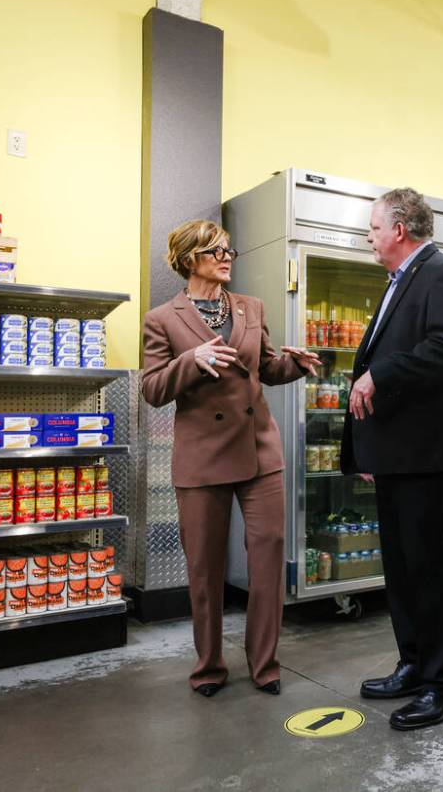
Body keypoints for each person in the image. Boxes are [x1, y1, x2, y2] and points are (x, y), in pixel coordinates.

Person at [141, 219, 321, 698]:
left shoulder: (250, 307)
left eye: (229, 251)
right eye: (215, 251)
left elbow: (263, 368)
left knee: (267, 559)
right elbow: (151, 389)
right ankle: (208, 667)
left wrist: (294, 366)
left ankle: (265, 665)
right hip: (202, 459)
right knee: (204, 570)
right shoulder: (163, 318)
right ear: (189, 258)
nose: (226, 257)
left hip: (260, 449)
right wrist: (189, 361)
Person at [340, 187, 443, 731]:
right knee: (401, 571)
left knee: (430, 570)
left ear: (399, 230)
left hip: (430, 455)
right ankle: (415, 664)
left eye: (373, 229)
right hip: (399, 454)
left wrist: (381, 373)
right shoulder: (399, 281)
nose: (368, 238)